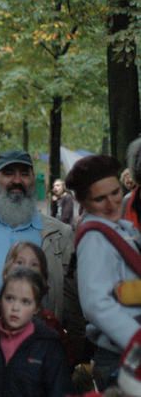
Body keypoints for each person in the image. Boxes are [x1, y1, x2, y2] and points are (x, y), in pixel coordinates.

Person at [0, 150, 74, 323]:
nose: (17, 180)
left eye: (24, 174)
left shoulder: (59, 234)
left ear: (33, 179)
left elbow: (72, 303)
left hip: (40, 344)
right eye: (8, 173)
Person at [65, 154, 141, 391]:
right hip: (122, 355)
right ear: (83, 202)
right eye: (100, 199)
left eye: (115, 193)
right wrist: (136, 338)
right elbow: (96, 304)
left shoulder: (124, 229)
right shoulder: (94, 238)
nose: (111, 204)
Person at [0, 267, 72, 397]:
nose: (15, 308)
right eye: (10, 298)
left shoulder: (49, 346)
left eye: (25, 302)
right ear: (0, 301)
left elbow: (60, 392)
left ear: (36, 308)